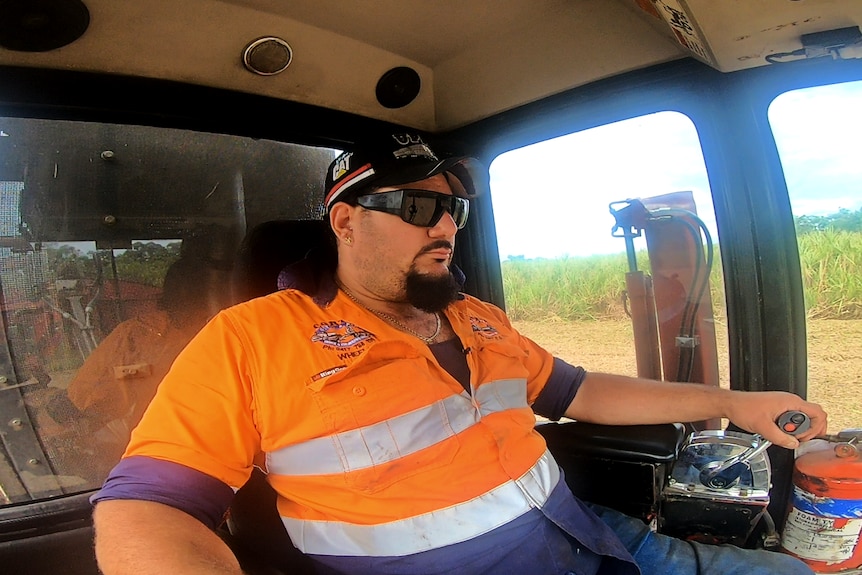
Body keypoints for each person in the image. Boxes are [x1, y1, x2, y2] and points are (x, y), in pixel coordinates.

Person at [91, 132, 827, 575]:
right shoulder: (252, 338)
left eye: (452, 210)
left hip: (599, 543)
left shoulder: (476, 317)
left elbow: (577, 390)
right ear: (345, 221)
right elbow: (146, 507)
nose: (443, 225)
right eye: (415, 208)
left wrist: (732, 403)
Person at [47, 255, 229, 474]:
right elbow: (107, 383)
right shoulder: (137, 335)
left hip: (190, 456)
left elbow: (100, 388)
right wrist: (148, 371)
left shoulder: (231, 334)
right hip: (171, 456)